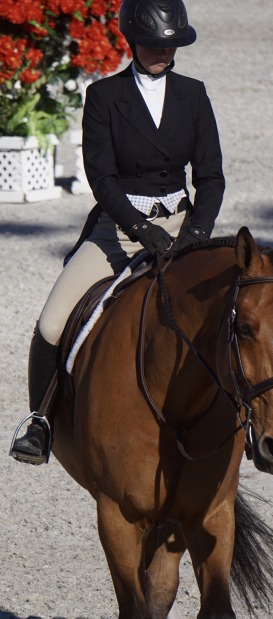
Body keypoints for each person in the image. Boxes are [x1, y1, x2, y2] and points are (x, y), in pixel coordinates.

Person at [10, 0, 225, 465]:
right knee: (51, 323)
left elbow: (210, 176)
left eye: (171, 45)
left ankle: (235, 415)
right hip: (121, 228)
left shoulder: (194, 94)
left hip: (183, 227)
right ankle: (40, 421)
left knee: (230, 314)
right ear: (132, 41)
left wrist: (199, 229)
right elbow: (101, 178)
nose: (164, 53)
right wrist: (138, 228)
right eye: (154, 45)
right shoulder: (105, 97)